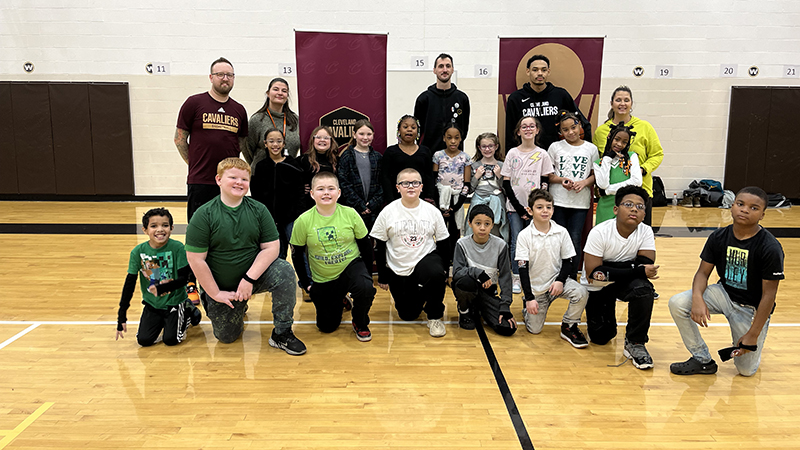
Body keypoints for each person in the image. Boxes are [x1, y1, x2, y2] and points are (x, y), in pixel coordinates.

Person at [185, 157, 306, 355]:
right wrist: (215, 293)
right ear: (218, 180)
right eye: (233, 177)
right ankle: (226, 306)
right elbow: (195, 259)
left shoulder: (258, 210)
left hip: (251, 279)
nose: (239, 183)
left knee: (284, 271)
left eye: (244, 179)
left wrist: (249, 279)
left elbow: (272, 248)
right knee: (227, 337)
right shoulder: (204, 214)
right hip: (222, 287)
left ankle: (282, 333)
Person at [668, 187, 784, 377]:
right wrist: (697, 299)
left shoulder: (770, 247)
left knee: (746, 371)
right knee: (678, 303)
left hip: (750, 308)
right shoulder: (719, 237)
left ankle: (754, 342)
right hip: (724, 294)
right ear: (732, 206)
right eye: (740, 204)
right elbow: (702, 274)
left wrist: (753, 334)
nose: (745, 210)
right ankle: (702, 359)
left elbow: (769, 296)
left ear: (763, 215)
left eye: (754, 208)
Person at [290, 172, 376, 341]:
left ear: (339, 192)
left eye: (331, 188)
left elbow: (365, 246)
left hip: (350, 266)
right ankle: (341, 299)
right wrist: (306, 283)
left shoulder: (350, 214)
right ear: (312, 193)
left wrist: (365, 275)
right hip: (323, 278)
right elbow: (297, 255)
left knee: (365, 288)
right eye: (321, 189)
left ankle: (360, 322)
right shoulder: (303, 220)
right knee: (326, 327)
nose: (326, 192)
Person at [582, 185, 658, 370]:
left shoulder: (646, 231)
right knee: (601, 338)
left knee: (644, 290)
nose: (634, 209)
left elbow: (646, 263)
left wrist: (610, 268)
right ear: (616, 209)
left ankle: (636, 343)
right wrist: (635, 268)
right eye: (629, 204)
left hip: (623, 282)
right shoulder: (599, 232)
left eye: (640, 207)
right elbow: (594, 274)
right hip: (598, 287)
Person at [371, 168, 450, 338]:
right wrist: (382, 276)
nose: (411, 186)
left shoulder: (432, 211)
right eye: (405, 183)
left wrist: (445, 272)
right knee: (408, 315)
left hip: (425, 261)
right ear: (398, 187)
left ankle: (435, 316)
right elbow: (380, 244)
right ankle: (421, 294)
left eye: (415, 182)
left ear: (421, 186)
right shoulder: (388, 211)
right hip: (399, 268)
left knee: (435, 273)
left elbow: (443, 243)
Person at [175, 57, 248, 221]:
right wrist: (193, 162)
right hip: (201, 180)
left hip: (230, 182)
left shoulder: (239, 110)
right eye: (220, 74)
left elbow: (241, 142)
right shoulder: (194, 103)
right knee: (200, 229)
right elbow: (179, 139)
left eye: (229, 75)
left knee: (228, 228)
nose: (225, 78)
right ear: (211, 77)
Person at [115, 208, 202, 346]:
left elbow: (183, 280)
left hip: (174, 302)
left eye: (165, 225)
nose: (160, 229)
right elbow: (129, 284)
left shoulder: (178, 248)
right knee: (144, 340)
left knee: (171, 340)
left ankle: (187, 310)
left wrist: (162, 288)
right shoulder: (138, 252)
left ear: (172, 228)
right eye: (154, 226)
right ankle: (163, 321)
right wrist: (121, 315)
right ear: (145, 230)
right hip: (152, 304)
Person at [515, 189, 588, 347]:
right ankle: (527, 307)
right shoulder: (524, 235)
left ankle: (569, 325)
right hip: (537, 290)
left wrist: (560, 280)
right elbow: (522, 269)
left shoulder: (561, 232)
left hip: (556, 284)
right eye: (539, 207)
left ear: (553, 209)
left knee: (581, 293)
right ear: (530, 210)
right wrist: (529, 297)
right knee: (534, 330)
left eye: (548, 207)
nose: (545, 211)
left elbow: (568, 260)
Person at [593, 86, 664, 226]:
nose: (622, 103)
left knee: (638, 237)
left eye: (626, 100)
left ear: (631, 104)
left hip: (640, 191)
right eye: (618, 100)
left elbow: (657, 154)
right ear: (611, 103)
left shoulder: (644, 127)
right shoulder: (601, 131)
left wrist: (642, 169)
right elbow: (598, 159)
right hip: (610, 195)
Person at [501, 116, 554, 294]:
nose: (528, 129)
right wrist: (519, 208)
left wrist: (535, 207)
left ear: (537, 130)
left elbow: (545, 182)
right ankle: (516, 276)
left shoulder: (543, 154)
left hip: (535, 209)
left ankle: (531, 276)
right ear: (518, 131)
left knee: (534, 241)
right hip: (515, 208)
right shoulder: (512, 153)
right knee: (516, 241)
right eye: (524, 126)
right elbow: (506, 183)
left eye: (532, 126)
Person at [452, 205, 517, 336]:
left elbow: (505, 277)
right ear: (470, 223)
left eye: (487, 224)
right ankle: (464, 310)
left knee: (507, 328)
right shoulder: (462, 243)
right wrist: (478, 273)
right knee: (464, 282)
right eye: (478, 223)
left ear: (492, 225)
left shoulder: (500, 245)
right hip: (469, 287)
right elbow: (457, 272)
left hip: (488, 293)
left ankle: (480, 309)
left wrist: (505, 307)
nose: (482, 228)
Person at [504, 54, 591, 153]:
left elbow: (582, 122)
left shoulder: (561, 95)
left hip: (558, 154)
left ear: (548, 72)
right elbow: (510, 132)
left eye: (544, 70)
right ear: (528, 71)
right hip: (527, 155)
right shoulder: (516, 98)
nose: (540, 73)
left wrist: (585, 150)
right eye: (535, 70)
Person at [547, 110, 599, 262]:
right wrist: (561, 180)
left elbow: (596, 175)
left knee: (575, 237)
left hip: (580, 202)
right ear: (560, 131)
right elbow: (548, 175)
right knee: (558, 237)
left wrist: (584, 183)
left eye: (573, 127)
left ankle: (571, 274)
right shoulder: (555, 147)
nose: (570, 132)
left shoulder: (591, 149)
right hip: (558, 200)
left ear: (580, 126)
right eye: (565, 129)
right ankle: (557, 271)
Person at [250, 128, 305, 260]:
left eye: (279, 141)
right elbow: (256, 194)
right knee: (276, 254)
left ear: (284, 143)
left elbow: (300, 192)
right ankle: (278, 281)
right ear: (265, 143)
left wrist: (297, 213)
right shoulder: (261, 166)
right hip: (269, 219)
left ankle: (306, 281)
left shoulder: (293, 165)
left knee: (299, 252)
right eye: (271, 141)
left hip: (291, 218)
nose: (275, 145)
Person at [414, 53, 470, 151]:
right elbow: (418, 129)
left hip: (455, 156)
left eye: (448, 66)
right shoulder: (424, 99)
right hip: (429, 154)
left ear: (452, 70)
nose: (444, 70)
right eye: (441, 66)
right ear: (434, 70)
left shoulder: (462, 98)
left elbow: (464, 129)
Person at [432, 123, 471, 264]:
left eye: (456, 138)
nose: (453, 141)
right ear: (444, 138)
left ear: (461, 139)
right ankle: (441, 261)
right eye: (449, 138)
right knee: (441, 231)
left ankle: (454, 262)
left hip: (457, 199)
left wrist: (456, 206)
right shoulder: (438, 156)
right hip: (442, 197)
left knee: (455, 231)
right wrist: (439, 204)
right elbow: (434, 180)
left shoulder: (465, 157)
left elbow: (467, 184)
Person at [245, 78, 301, 170]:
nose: (280, 93)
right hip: (262, 175)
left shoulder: (296, 120)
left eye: (284, 91)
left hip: (288, 176)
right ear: (268, 93)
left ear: (287, 96)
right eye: (275, 89)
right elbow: (248, 150)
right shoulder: (257, 120)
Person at [338, 119, 383, 231]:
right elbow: (344, 183)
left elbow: (382, 183)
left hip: (374, 210)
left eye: (369, 134)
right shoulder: (346, 156)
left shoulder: (378, 157)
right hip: (353, 209)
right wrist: (359, 204)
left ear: (373, 135)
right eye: (361, 134)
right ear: (354, 135)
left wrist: (373, 204)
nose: (365, 137)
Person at [593, 121, 641, 224]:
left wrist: (607, 191)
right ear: (610, 137)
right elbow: (603, 184)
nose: (619, 144)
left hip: (626, 205)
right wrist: (607, 158)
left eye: (624, 142)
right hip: (605, 207)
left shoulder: (631, 157)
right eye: (617, 139)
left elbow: (637, 182)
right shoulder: (598, 163)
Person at [381, 115, 436, 204]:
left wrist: (429, 197)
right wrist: (390, 200)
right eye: (405, 127)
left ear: (418, 131)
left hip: (420, 199)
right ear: (399, 130)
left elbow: (429, 176)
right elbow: (385, 177)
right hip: (396, 199)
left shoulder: (425, 151)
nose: (409, 129)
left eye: (413, 127)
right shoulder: (390, 152)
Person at [467, 132, 507, 241]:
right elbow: (469, 190)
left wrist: (500, 176)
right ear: (479, 148)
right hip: (478, 201)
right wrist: (476, 177)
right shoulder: (474, 166)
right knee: (475, 231)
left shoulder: (502, 165)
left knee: (495, 232)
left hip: (497, 201)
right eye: (484, 146)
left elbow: (506, 190)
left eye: (490, 146)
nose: (487, 149)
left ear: (496, 147)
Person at [300, 125, 339, 212]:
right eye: (318, 137)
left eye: (326, 137)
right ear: (312, 140)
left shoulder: (337, 161)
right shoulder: (303, 160)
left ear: (331, 141)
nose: (322, 140)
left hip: (333, 208)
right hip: (309, 208)